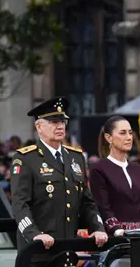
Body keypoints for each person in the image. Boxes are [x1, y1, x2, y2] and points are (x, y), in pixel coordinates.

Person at [10, 97, 106, 251]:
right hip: (38, 249)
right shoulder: (26, 158)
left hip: (68, 247)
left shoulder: (76, 157)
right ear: (39, 127)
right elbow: (20, 204)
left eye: (63, 122)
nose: (60, 126)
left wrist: (98, 227)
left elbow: (86, 201)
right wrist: (33, 234)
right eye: (54, 122)